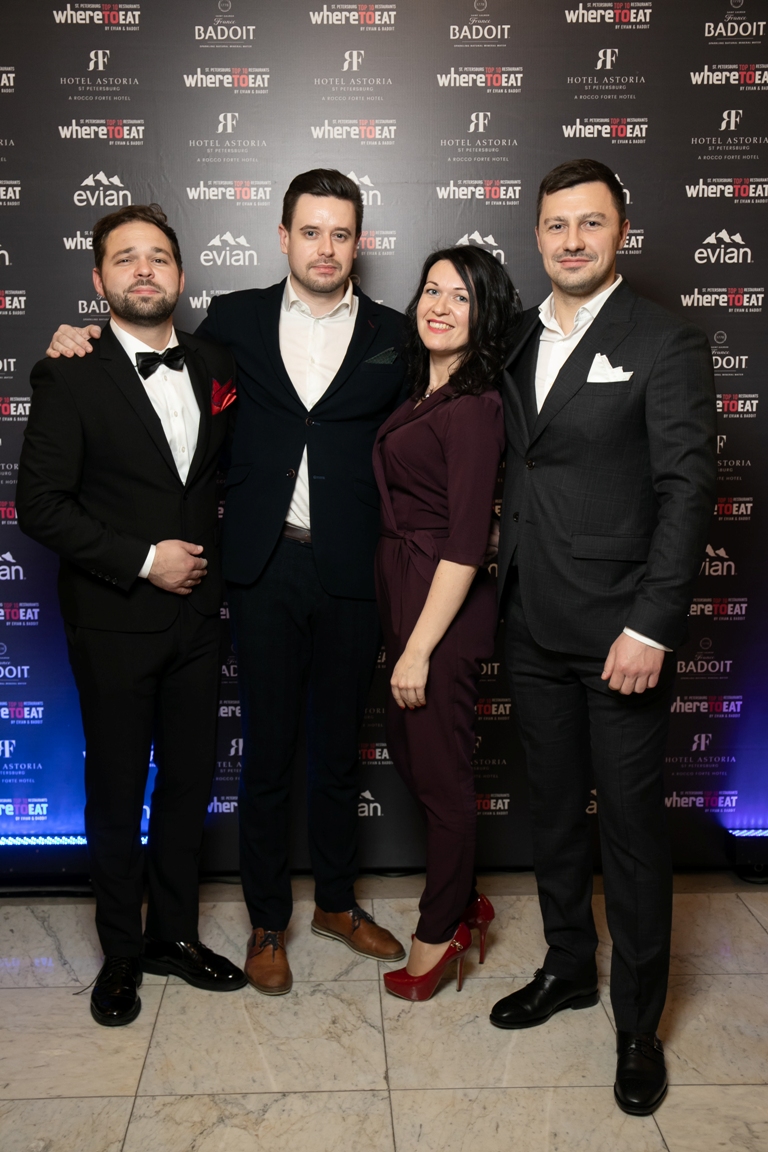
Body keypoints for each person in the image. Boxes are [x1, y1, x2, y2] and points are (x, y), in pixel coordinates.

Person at [45, 170, 407, 995]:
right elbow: (142, 356)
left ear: (359, 242)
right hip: (260, 566)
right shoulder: (234, 322)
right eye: (309, 232)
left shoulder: (396, 333)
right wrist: (77, 338)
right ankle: (267, 922)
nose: (324, 248)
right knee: (267, 752)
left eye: (339, 234)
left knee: (338, 750)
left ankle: (338, 903)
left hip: (354, 568)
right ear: (283, 237)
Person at [491, 159, 717, 1115]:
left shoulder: (664, 339)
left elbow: (687, 490)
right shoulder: (513, 334)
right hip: (528, 620)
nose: (572, 240)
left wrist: (651, 625)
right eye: (556, 225)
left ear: (621, 232)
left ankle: (637, 1025)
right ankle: (568, 967)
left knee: (628, 833)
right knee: (551, 813)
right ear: (537, 236)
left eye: (590, 223)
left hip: (621, 632)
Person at [18, 204, 246, 1027]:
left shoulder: (217, 361)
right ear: (99, 279)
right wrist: (147, 559)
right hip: (113, 618)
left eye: (157, 257)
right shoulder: (70, 371)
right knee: (117, 790)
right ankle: (120, 951)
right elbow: (40, 506)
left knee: (189, 783)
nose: (143, 269)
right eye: (125, 258)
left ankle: (173, 935)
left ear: (180, 276)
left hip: (199, 620)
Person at [374, 247, 520, 1001]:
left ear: (484, 314)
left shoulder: (473, 405)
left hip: (443, 605)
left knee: (442, 775)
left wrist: (419, 649)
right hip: (408, 590)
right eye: (431, 290)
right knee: (414, 755)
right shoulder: (427, 390)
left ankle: (441, 933)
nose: (439, 306)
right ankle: (464, 897)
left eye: (460, 297)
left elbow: (467, 542)